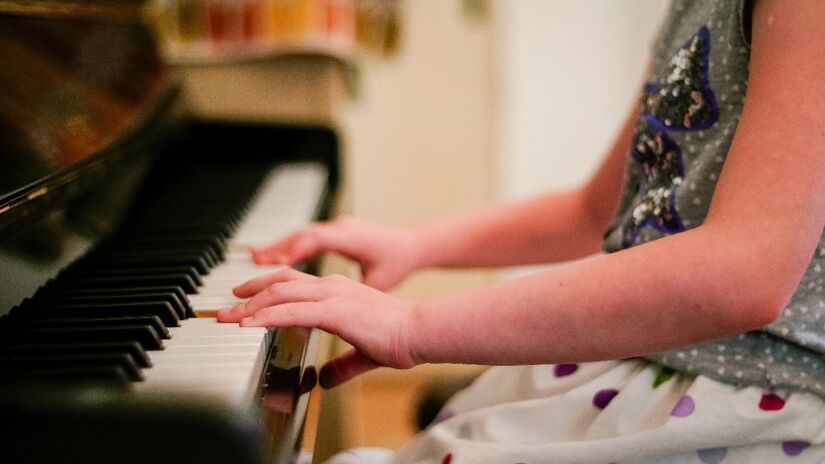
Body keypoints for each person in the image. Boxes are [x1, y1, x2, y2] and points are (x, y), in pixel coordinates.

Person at [218, 0, 825, 462]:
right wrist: (417, 246)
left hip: (744, 406)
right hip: (635, 367)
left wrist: (412, 327)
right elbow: (595, 212)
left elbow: (744, 273)